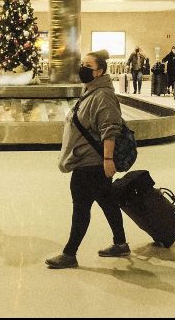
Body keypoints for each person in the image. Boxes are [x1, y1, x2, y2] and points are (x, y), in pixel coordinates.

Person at [46, 50, 129, 269]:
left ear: (99, 71)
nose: (82, 68)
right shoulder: (92, 90)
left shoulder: (103, 96)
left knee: (81, 207)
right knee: (107, 201)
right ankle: (120, 243)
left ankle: (69, 253)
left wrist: (108, 159)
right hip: (90, 160)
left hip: (91, 163)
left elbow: (110, 129)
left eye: (87, 66)